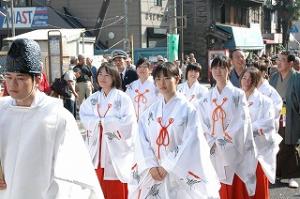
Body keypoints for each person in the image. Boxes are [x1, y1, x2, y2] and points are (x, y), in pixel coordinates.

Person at [0, 38, 103, 199]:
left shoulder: (56, 116)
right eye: (8, 77)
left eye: (20, 78)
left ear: (38, 79)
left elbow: (75, 176)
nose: (12, 85)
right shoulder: (2, 110)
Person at [130, 62, 220, 198]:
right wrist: (150, 164)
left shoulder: (188, 110)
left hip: (178, 172)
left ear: (177, 79)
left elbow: (191, 142)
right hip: (154, 170)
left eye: (167, 78)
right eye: (158, 79)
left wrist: (167, 165)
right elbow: (141, 140)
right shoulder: (150, 112)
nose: (162, 83)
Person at [196, 56, 257, 199]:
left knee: (233, 188)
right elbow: (200, 121)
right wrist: (211, 140)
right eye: (215, 67)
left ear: (228, 69)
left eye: (222, 67)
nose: (218, 70)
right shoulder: (206, 97)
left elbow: (242, 122)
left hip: (232, 148)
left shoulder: (238, 94)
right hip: (211, 147)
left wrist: (222, 140)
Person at [79, 62, 137, 199]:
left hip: (115, 153)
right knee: (97, 190)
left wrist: (104, 123)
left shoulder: (123, 98)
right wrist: (97, 122)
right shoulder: (93, 99)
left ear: (114, 77)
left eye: (107, 75)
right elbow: (84, 116)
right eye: (100, 74)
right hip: (97, 152)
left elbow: (129, 123)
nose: (102, 77)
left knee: (115, 190)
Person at [240, 67, 282, 199]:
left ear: (257, 81)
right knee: (241, 187)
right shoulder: (236, 98)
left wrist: (247, 129)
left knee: (258, 185)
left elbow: (268, 124)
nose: (247, 82)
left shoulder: (265, 101)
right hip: (239, 150)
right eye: (244, 78)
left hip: (258, 149)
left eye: (251, 79)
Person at [269, 51, 300, 188]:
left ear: (290, 63)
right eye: (278, 59)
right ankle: (278, 174)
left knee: (290, 144)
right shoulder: (274, 77)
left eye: (283, 60)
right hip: (276, 114)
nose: (279, 62)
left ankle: (292, 176)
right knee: (277, 143)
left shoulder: (297, 78)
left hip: (291, 114)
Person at [255, 61, 283, 131]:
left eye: (256, 72)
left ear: (263, 73)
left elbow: (278, 108)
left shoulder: (270, 91)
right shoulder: (249, 88)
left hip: (266, 128)